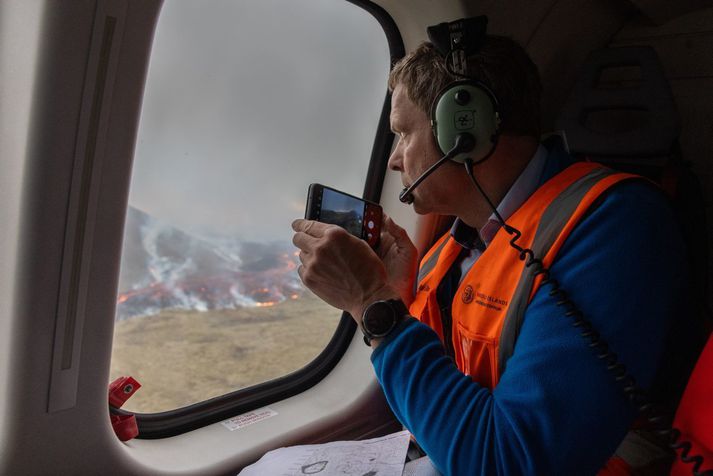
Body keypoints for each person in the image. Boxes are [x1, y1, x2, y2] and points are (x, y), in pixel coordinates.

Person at [292, 26, 690, 475]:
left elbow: (507, 463)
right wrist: (399, 297)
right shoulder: (457, 245)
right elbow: (443, 404)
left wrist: (373, 306)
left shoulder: (615, 225)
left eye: (404, 134)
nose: (394, 159)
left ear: (465, 129)